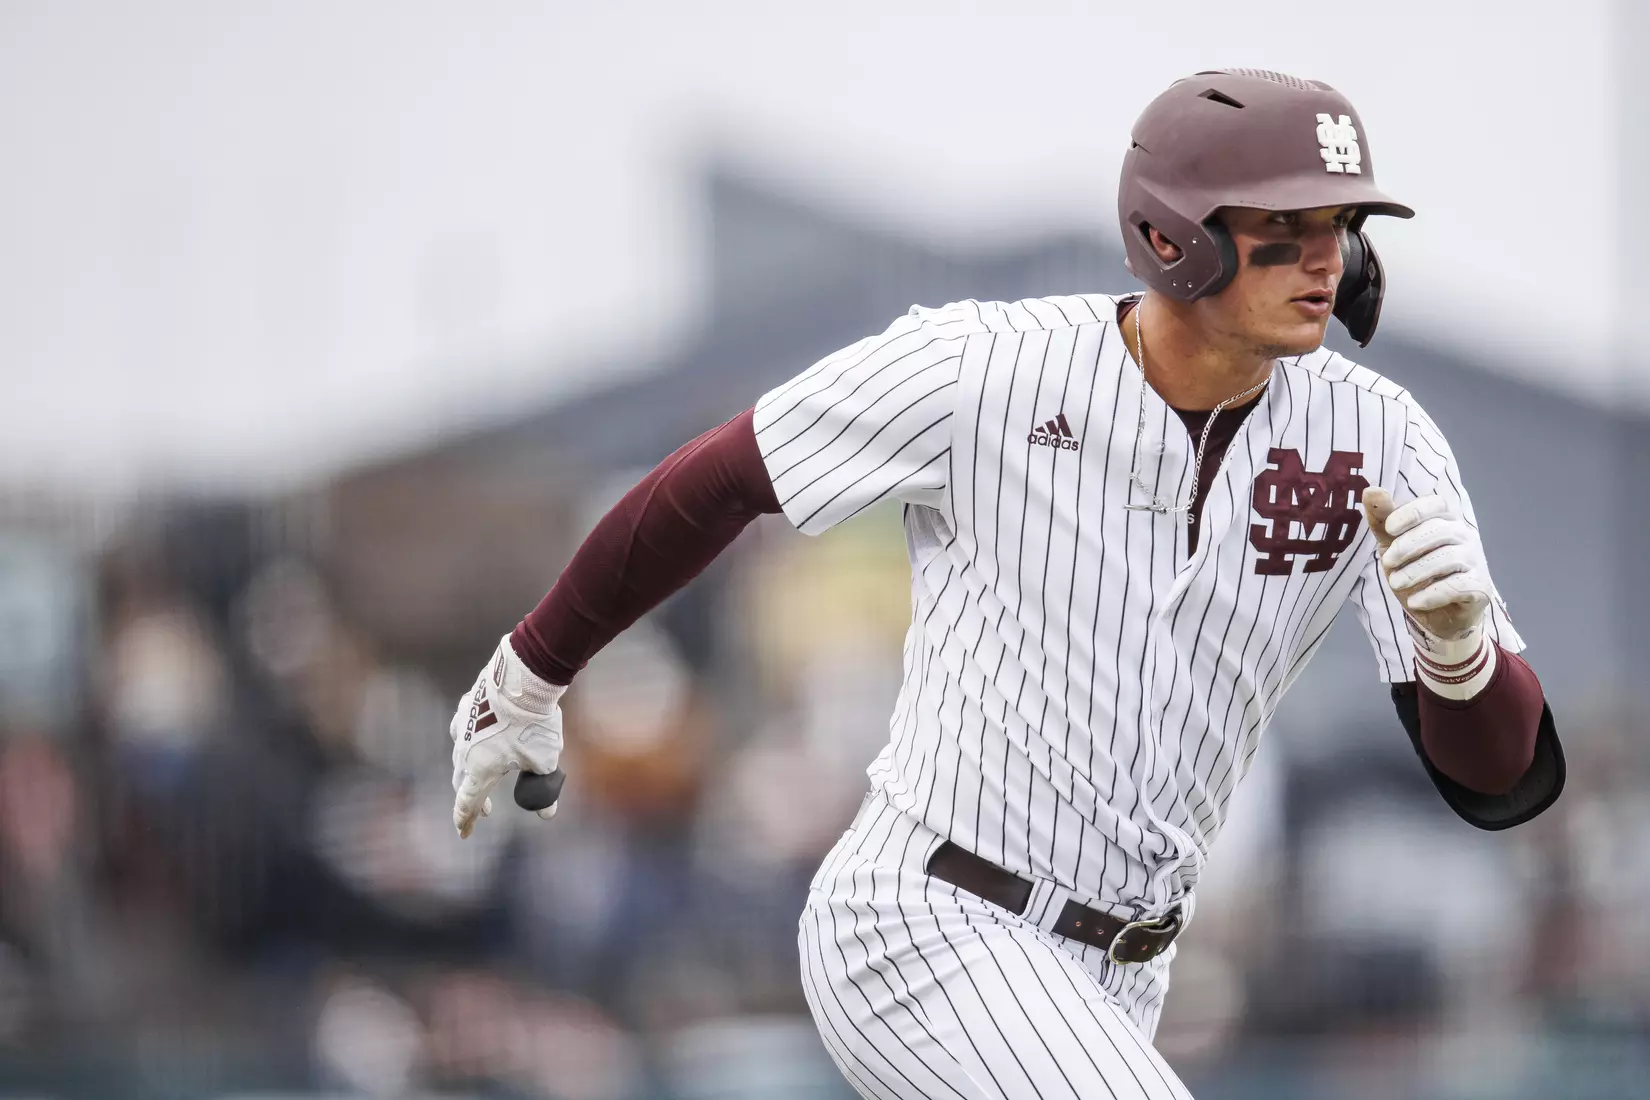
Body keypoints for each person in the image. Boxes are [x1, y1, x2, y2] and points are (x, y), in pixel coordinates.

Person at [445, 69, 1563, 1099]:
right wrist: (531, 670)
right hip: (926, 916)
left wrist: (1460, 652)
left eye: (1341, 225)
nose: (1327, 256)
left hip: (1125, 972)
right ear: (1173, 234)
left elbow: (1501, 780)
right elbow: (723, 474)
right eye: (1285, 225)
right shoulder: (985, 367)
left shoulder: (1382, 440)